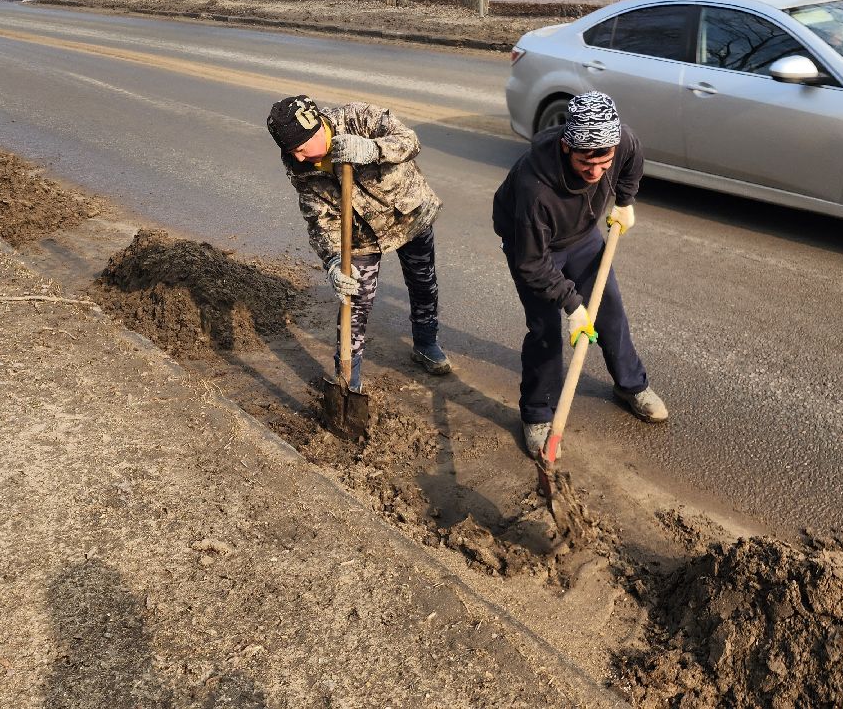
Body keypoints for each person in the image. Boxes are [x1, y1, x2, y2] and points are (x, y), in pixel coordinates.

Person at [492, 91, 667, 456]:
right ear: (568, 147)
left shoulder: (622, 141)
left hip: (583, 236)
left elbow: (633, 159)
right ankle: (538, 414)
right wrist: (572, 305)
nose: (596, 173)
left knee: (611, 313)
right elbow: (531, 262)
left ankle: (631, 385)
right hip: (535, 249)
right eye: (587, 164)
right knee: (545, 330)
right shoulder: (535, 187)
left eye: (604, 163)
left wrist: (625, 202)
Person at [266, 94, 450, 390]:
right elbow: (319, 219)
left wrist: (373, 149)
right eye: (291, 151)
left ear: (316, 129)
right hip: (359, 235)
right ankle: (348, 378)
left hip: (407, 213)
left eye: (301, 148)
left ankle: (426, 343)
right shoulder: (300, 168)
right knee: (354, 300)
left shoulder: (356, 118)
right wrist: (333, 262)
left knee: (423, 282)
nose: (298, 157)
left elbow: (410, 140)